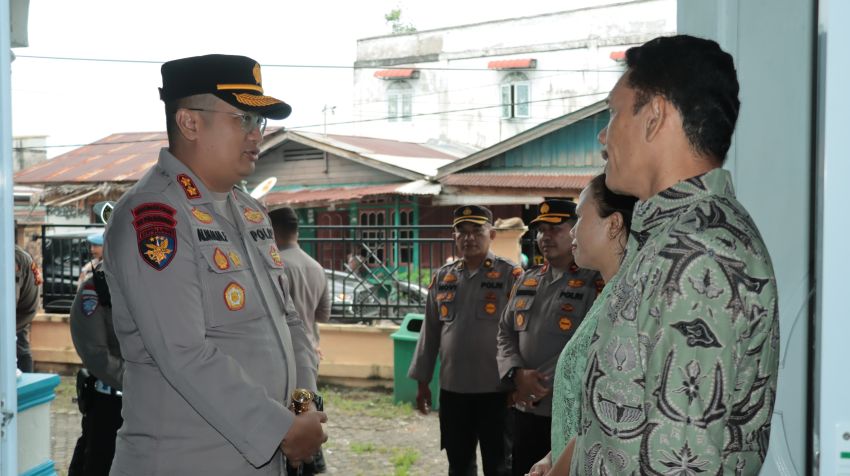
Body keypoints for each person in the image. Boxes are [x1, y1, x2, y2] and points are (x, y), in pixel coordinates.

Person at [103, 54, 326, 475]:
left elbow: (290, 321)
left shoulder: (251, 212)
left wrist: (304, 407)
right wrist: (281, 429)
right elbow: (182, 352)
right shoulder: (155, 216)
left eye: (259, 123)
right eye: (243, 119)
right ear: (190, 123)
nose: (257, 135)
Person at [569, 35, 780, 475]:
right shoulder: (672, 237)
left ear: (654, 116)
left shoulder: (695, 254)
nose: (603, 135)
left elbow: (682, 464)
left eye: (614, 112)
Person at [525, 174, 637, 476]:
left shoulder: (627, 307)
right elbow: (583, 409)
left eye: (578, 218)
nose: (573, 231)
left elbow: (604, 423)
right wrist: (553, 456)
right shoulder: (612, 296)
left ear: (613, 224)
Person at [408, 205, 521, 476]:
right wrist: (423, 382)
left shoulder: (512, 276)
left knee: (499, 464)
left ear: (491, 234)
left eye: (476, 231)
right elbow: (430, 333)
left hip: (497, 391)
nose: (468, 238)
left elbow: (522, 333)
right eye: (462, 231)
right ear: (454, 236)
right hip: (454, 391)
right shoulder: (443, 277)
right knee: (458, 464)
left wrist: (518, 382)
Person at [497, 199, 601, 476]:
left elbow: (591, 343)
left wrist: (539, 382)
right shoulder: (527, 279)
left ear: (576, 230)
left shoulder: (596, 282)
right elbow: (505, 332)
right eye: (542, 230)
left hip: (565, 413)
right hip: (523, 409)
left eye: (555, 228)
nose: (546, 237)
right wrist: (516, 373)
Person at [269, 206, 330, 476]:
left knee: (287, 433)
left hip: (284, 361)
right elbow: (323, 314)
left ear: (272, 230)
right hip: (309, 362)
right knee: (305, 414)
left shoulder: (275, 265)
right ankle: (311, 462)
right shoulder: (316, 266)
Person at [68, 256, 123, 476]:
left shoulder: (149, 287)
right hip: (109, 402)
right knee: (98, 465)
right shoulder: (96, 290)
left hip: (147, 402)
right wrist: (141, 380)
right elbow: (96, 355)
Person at [15, 244, 41, 373]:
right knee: (21, 346)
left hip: (19, 312)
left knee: (20, 349)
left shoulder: (12, 257)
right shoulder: (14, 252)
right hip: (23, 310)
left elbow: (11, 297)